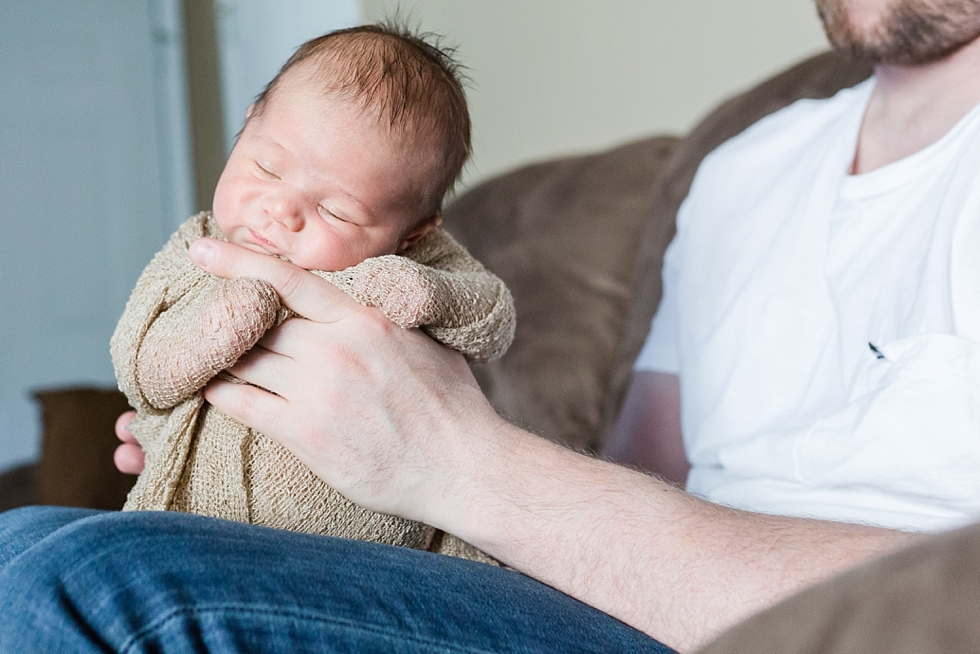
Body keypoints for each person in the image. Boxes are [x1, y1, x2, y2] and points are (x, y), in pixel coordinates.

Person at [3, 0, 980, 651]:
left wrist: (451, 458)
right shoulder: (742, 164)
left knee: (84, 582)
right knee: (25, 547)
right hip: (621, 604)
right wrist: (271, 434)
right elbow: (641, 482)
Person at [108, 24, 511, 561]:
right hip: (192, 524)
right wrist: (212, 327)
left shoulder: (413, 259)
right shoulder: (196, 248)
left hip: (374, 556)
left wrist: (427, 292)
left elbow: (492, 316)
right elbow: (138, 363)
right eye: (266, 166)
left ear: (413, 232)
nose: (281, 210)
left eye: (336, 210)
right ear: (249, 121)